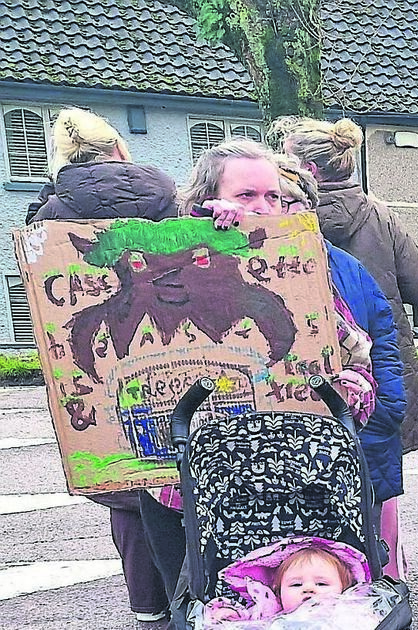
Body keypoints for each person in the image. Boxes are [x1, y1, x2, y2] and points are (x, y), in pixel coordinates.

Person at [141, 140, 408, 619]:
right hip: (198, 489)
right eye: (246, 196)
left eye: (274, 197)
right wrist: (200, 234)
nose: (263, 208)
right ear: (207, 198)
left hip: (295, 486)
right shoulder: (168, 261)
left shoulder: (297, 269)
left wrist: (342, 393)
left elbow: (357, 358)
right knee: (199, 606)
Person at [26, 107, 175, 623]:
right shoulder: (168, 196)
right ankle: (198, 597)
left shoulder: (49, 214)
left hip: (99, 361)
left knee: (125, 493)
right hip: (169, 349)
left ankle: (148, 607)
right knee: (181, 477)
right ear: (118, 147)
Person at [272, 116, 418, 462]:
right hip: (382, 368)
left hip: (302, 375)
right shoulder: (380, 216)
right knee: (379, 479)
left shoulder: (276, 222)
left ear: (309, 170)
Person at [200, 536, 385, 627]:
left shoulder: (349, 613)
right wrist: (227, 615)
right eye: (296, 584)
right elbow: (246, 621)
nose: (309, 589)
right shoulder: (267, 610)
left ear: (344, 589)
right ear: (278, 591)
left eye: (322, 584)